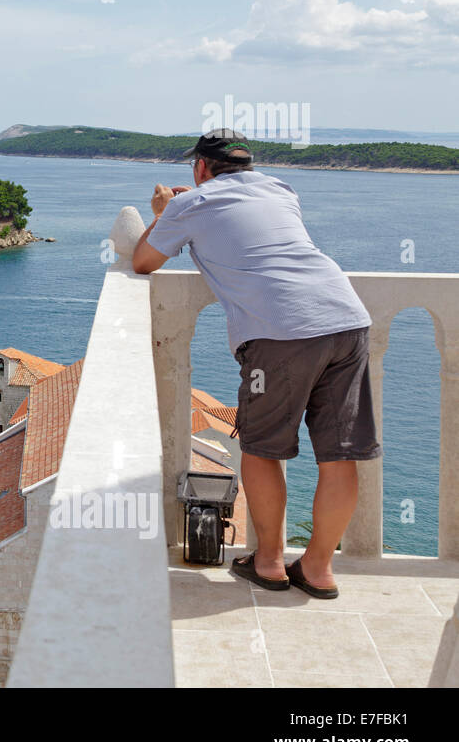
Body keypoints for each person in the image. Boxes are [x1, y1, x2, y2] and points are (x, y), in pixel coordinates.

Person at [132, 129, 380, 598]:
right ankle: (319, 569)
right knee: (340, 453)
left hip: (279, 332)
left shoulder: (189, 205)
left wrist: (165, 212)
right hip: (347, 320)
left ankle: (268, 562)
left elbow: (144, 261)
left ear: (200, 168)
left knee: (264, 448)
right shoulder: (280, 188)